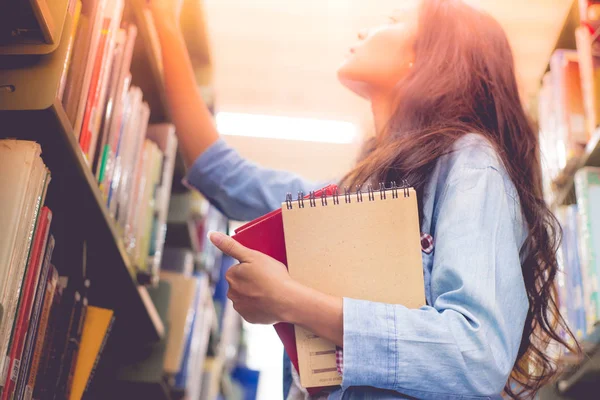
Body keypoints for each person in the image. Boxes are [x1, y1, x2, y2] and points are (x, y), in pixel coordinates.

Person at [150, 0, 577, 398]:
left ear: (424, 56)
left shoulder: (469, 162)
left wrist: (291, 301)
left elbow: (476, 352)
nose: (365, 31)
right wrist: (165, 23)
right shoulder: (353, 191)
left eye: (390, 24)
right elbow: (221, 175)